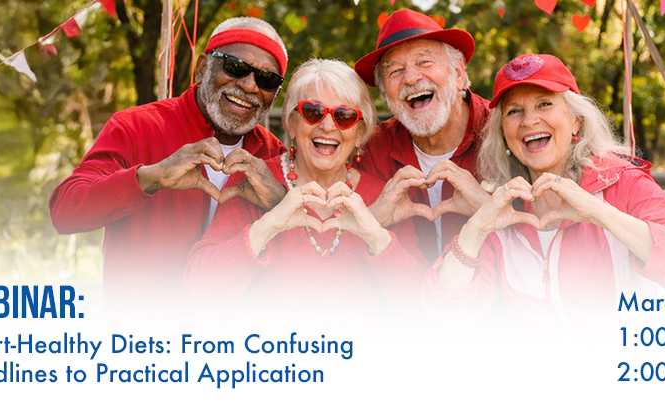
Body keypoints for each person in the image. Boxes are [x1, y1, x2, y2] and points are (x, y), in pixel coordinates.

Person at [423, 54, 665, 323]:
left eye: (544, 103)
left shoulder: (622, 180)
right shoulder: (505, 207)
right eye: (514, 111)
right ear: (503, 134)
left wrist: (600, 213)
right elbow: (447, 316)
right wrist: (475, 230)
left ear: (576, 119)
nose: (529, 120)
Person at [49, 17, 289, 320]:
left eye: (266, 79)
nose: (249, 85)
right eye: (236, 67)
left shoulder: (274, 155)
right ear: (203, 67)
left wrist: (281, 202)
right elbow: (65, 212)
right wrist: (151, 177)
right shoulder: (136, 127)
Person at [184, 59, 428, 319]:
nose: (327, 126)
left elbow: (419, 304)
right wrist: (269, 225)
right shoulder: (254, 180)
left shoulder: (385, 198)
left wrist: (376, 236)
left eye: (344, 117)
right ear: (291, 123)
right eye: (313, 112)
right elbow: (201, 290)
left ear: (360, 133)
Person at [353, 9, 493, 262]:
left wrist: (493, 211)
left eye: (424, 62)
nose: (411, 78)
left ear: (458, 75)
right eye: (394, 71)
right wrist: (368, 222)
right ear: (385, 95)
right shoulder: (371, 150)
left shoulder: (505, 132)